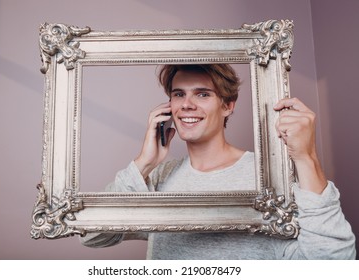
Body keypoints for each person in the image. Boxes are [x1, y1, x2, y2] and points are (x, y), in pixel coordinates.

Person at [80, 64, 356, 259]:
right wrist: (144, 162)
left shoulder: (272, 173)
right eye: (179, 94)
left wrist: (306, 157)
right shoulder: (158, 177)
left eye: (202, 94)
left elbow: (333, 261)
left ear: (228, 105)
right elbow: (93, 236)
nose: (186, 104)